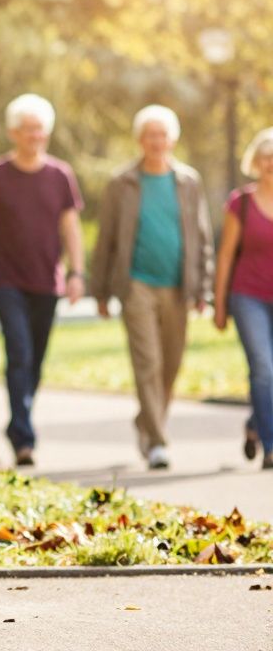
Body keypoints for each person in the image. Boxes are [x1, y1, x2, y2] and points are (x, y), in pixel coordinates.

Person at [0, 93, 84, 467]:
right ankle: (23, 435)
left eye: (40, 130)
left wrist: (78, 272)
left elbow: (71, 228)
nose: (35, 136)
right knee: (19, 353)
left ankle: (20, 419)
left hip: (47, 280)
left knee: (36, 359)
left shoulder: (60, 175)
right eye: (28, 129)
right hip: (6, 278)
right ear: (13, 132)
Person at [90, 105, 212, 470]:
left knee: (171, 365)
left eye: (162, 135)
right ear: (140, 139)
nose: (156, 141)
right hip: (136, 285)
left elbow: (203, 237)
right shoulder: (122, 183)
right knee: (149, 362)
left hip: (178, 286)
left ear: (172, 139)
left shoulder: (188, 181)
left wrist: (202, 287)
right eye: (150, 135)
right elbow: (107, 238)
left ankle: (147, 421)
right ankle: (158, 442)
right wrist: (100, 291)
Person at [213, 127, 273, 470]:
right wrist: (220, 304)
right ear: (256, 161)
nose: (272, 164)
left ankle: (255, 423)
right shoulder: (242, 202)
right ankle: (271, 444)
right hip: (248, 296)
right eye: (267, 157)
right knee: (263, 367)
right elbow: (225, 255)